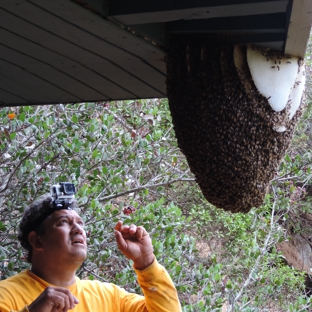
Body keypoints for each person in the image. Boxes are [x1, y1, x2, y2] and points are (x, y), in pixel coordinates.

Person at [0, 194, 181, 312]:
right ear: (37, 240)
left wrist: (146, 262)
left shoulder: (110, 297)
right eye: (64, 222)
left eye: (81, 223)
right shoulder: (6, 295)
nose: (78, 229)